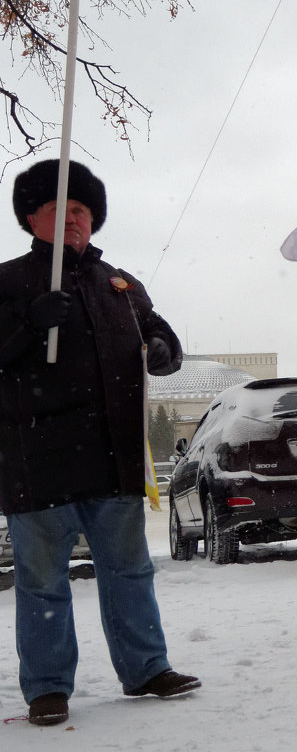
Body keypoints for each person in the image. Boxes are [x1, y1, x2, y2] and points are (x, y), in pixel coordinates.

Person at [0, 160, 200, 727]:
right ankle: (46, 688)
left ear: (94, 220)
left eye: (81, 211)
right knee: (41, 582)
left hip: (112, 461)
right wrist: (28, 326)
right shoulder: (7, 282)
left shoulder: (121, 285)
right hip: (36, 464)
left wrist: (164, 349)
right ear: (31, 218)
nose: (71, 220)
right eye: (57, 210)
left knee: (130, 571)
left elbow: (160, 333)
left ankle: (145, 669)